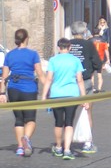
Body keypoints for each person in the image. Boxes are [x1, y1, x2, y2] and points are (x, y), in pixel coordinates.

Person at [0, 29, 46, 157]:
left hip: (13, 89)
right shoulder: (33, 54)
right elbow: (40, 73)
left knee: (19, 119)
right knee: (30, 119)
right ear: (26, 38)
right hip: (29, 88)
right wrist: (48, 89)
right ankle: (26, 138)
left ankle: (20, 147)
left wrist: (2, 93)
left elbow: (4, 76)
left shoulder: (10, 55)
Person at [41, 38, 89, 160]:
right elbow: (80, 80)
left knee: (58, 122)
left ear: (58, 48)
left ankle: (58, 147)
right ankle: (67, 150)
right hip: (72, 95)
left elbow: (49, 79)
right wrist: (84, 98)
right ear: (70, 47)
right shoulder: (75, 60)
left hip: (56, 95)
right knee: (69, 123)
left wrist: (44, 95)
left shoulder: (53, 60)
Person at [69, 21, 102, 154]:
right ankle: (87, 143)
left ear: (72, 32)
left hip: (69, 82)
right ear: (84, 32)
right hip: (85, 80)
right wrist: (97, 71)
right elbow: (96, 62)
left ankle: (65, 143)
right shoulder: (89, 44)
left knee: (69, 113)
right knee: (87, 111)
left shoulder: (67, 44)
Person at [90, 28, 110, 93]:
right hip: (100, 59)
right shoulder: (103, 40)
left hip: (92, 59)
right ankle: (99, 88)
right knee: (99, 74)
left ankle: (92, 88)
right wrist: (108, 59)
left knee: (92, 75)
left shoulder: (90, 40)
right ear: (99, 32)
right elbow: (106, 50)